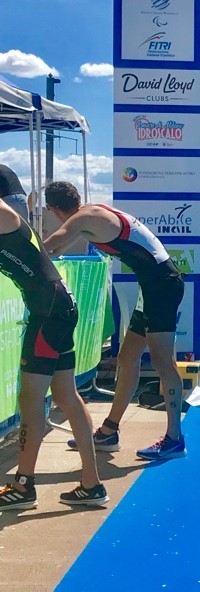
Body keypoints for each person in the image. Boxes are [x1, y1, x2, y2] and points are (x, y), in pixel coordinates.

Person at [43, 181, 186, 461]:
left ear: (53, 208)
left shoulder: (85, 217)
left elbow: (49, 246)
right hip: (154, 286)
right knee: (127, 357)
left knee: (163, 363)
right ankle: (109, 431)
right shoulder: (90, 215)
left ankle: (175, 439)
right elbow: (56, 251)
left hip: (162, 286)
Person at [0, 196, 108, 509]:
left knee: (31, 399)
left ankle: (24, 485)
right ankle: (92, 484)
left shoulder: (4, 215)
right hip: (57, 305)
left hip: (48, 311)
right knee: (65, 395)